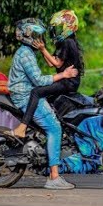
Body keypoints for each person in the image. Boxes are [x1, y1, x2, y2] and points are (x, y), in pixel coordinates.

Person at [7, 18, 77, 190]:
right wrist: (63, 75)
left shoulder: (28, 52)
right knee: (54, 128)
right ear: (29, 36)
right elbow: (38, 80)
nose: (41, 39)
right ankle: (54, 177)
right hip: (24, 95)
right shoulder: (25, 54)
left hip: (24, 93)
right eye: (37, 35)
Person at [12, 10, 83, 140]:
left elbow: (56, 64)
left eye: (57, 29)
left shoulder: (68, 43)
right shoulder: (65, 42)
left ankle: (23, 127)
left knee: (36, 92)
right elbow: (52, 63)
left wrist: (43, 49)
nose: (54, 32)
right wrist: (42, 49)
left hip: (68, 82)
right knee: (46, 100)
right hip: (66, 81)